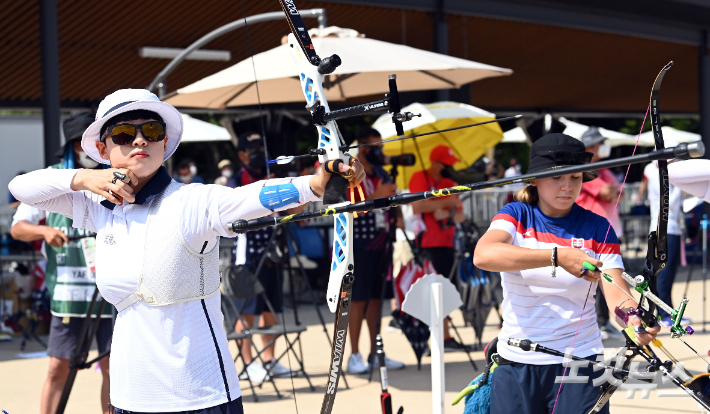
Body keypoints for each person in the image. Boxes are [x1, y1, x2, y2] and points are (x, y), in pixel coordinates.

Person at [8, 89, 364, 413]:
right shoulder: (99, 204)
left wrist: (315, 184)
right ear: (102, 150)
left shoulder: (192, 201)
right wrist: (85, 179)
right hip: (130, 397)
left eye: (150, 131)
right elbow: (20, 188)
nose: (138, 141)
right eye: (122, 134)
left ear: (164, 142)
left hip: (200, 397)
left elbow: (250, 197)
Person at [473, 133, 659, 414]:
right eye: (557, 177)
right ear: (534, 179)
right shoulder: (516, 215)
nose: (567, 186)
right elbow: (484, 255)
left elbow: (618, 298)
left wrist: (634, 320)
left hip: (580, 365)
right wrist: (557, 257)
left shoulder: (598, 227)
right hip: (516, 363)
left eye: (575, 177)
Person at [10, 112, 112, 414]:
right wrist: (44, 230)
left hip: (109, 291)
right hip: (68, 295)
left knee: (112, 366)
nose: (90, 150)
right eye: (83, 144)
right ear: (72, 146)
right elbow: (18, 228)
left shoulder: (111, 174)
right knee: (58, 366)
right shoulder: (53, 178)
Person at [230, 131, 296, 383]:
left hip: (273, 252)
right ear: (241, 154)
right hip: (247, 256)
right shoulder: (235, 180)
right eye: (252, 148)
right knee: (247, 311)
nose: (258, 152)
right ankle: (247, 364)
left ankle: (269, 359)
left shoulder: (271, 177)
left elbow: (292, 208)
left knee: (272, 308)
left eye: (260, 146)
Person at [345, 128, 405, 374]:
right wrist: (376, 196)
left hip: (382, 244)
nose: (379, 151)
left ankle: (374, 352)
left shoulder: (382, 172)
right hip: (359, 245)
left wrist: (398, 213)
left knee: (376, 299)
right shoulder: (352, 173)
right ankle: (354, 355)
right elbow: (351, 209)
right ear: (362, 146)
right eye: (374, 146)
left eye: (381, 145)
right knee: (357, 299)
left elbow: (392, 200)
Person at [409, 145, 467, 351]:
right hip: (426, 244)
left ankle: (444, 337)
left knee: (446, 291)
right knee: (429, 293)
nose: (449, 168)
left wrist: (445, 211)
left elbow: (459, 214)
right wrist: (443, 204)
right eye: (447, 164)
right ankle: (431, 337)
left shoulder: (448, 183)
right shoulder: (419, 178)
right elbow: (417, 206)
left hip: (447, 243)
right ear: (435, 163)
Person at [575, 126, 623, 340]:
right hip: (590, 235)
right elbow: (608, 192)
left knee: (609, 278)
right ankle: (599, 323)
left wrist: (614, 189)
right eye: (598, 144)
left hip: (608, 233)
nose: (602, 147)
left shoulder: (603, 169)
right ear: (590, 148)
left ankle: (605, 322)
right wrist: (614, 189)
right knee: (593, 279)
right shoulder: (585, 170)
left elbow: (615, 192)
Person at [634, 157, 684, 325]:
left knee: (668, 275)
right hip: (664, 230)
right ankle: (663, 314)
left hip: (670, 229)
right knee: (663, 274)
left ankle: (668, 311)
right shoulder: (657, 173)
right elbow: (670, 201)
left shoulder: (656, 172)